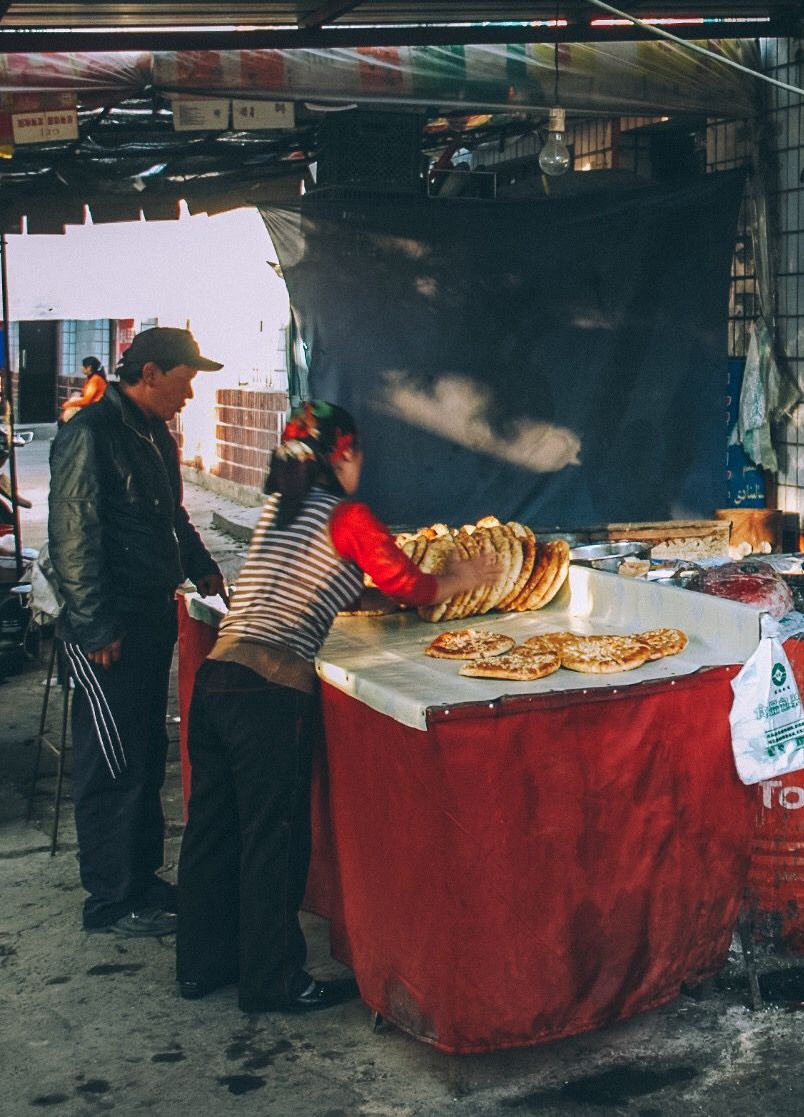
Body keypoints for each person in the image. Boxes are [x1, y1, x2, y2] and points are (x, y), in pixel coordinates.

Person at [174, 401, 497, 1012]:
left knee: (213, 833)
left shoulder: (280, 509)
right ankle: (272, 982)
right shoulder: (347, 515)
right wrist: (463, 576)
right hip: (268, 695)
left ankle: (201, 964)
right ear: (343, 454)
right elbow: (408, 584)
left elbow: (343, 586)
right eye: (359, 455)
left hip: (218, 681)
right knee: (273, 841)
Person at [47, 326, 226, 938]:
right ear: (150, 373)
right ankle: (112, 901)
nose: (191, 395)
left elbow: (172, 515)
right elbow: (73, 535)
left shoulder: (152, 434)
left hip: (149, 622)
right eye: (185, 381)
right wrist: (95, 622)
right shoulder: (90, 432)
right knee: (112, 765)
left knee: (145, 759)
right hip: (107, 632)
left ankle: (142, 881)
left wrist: (201, 564)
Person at [60, 356, 107, 423]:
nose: (81, 368)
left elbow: (86, 401)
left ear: (89, 368)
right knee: (74, 396)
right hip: (93, 405)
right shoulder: (91, 378)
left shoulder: (95, 380)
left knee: (67, 415)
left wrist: (69, 404)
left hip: (96, 408)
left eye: (83, 366)